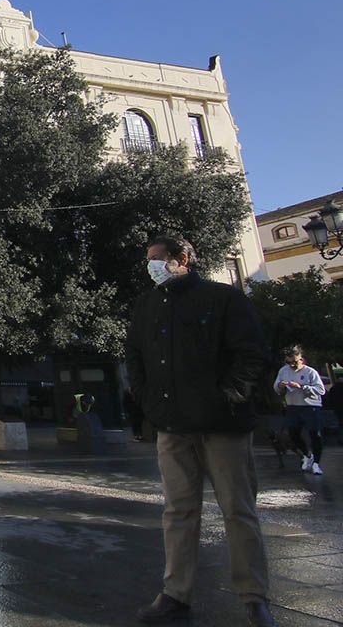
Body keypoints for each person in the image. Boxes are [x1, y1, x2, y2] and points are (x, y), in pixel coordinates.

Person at [125, 236, 275, 627]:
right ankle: (175, 592)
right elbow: (135, 358)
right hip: (172, 426)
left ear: (183, 259)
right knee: (177, 512)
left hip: (222, 426)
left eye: (158, 259)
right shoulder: (146, 306)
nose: (152, 266)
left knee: (238, 511)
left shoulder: (223, 299)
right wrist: (149, 403)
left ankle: (254, 596)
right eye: (149, 261)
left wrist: (229, 397)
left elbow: (252, 353)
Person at [273, 345, 326, 475]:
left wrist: (302, 387)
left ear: (301, 359)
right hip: (293, 406)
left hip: (310, 406)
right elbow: (276, 386)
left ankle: (316, 463)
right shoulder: (283, 371)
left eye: (294, 362)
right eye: (288, 362)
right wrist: (280, 386)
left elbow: (321, 390)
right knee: (293, 433)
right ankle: (307, 454)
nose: (291, 365)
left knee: (315, 434)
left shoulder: (310, 372)